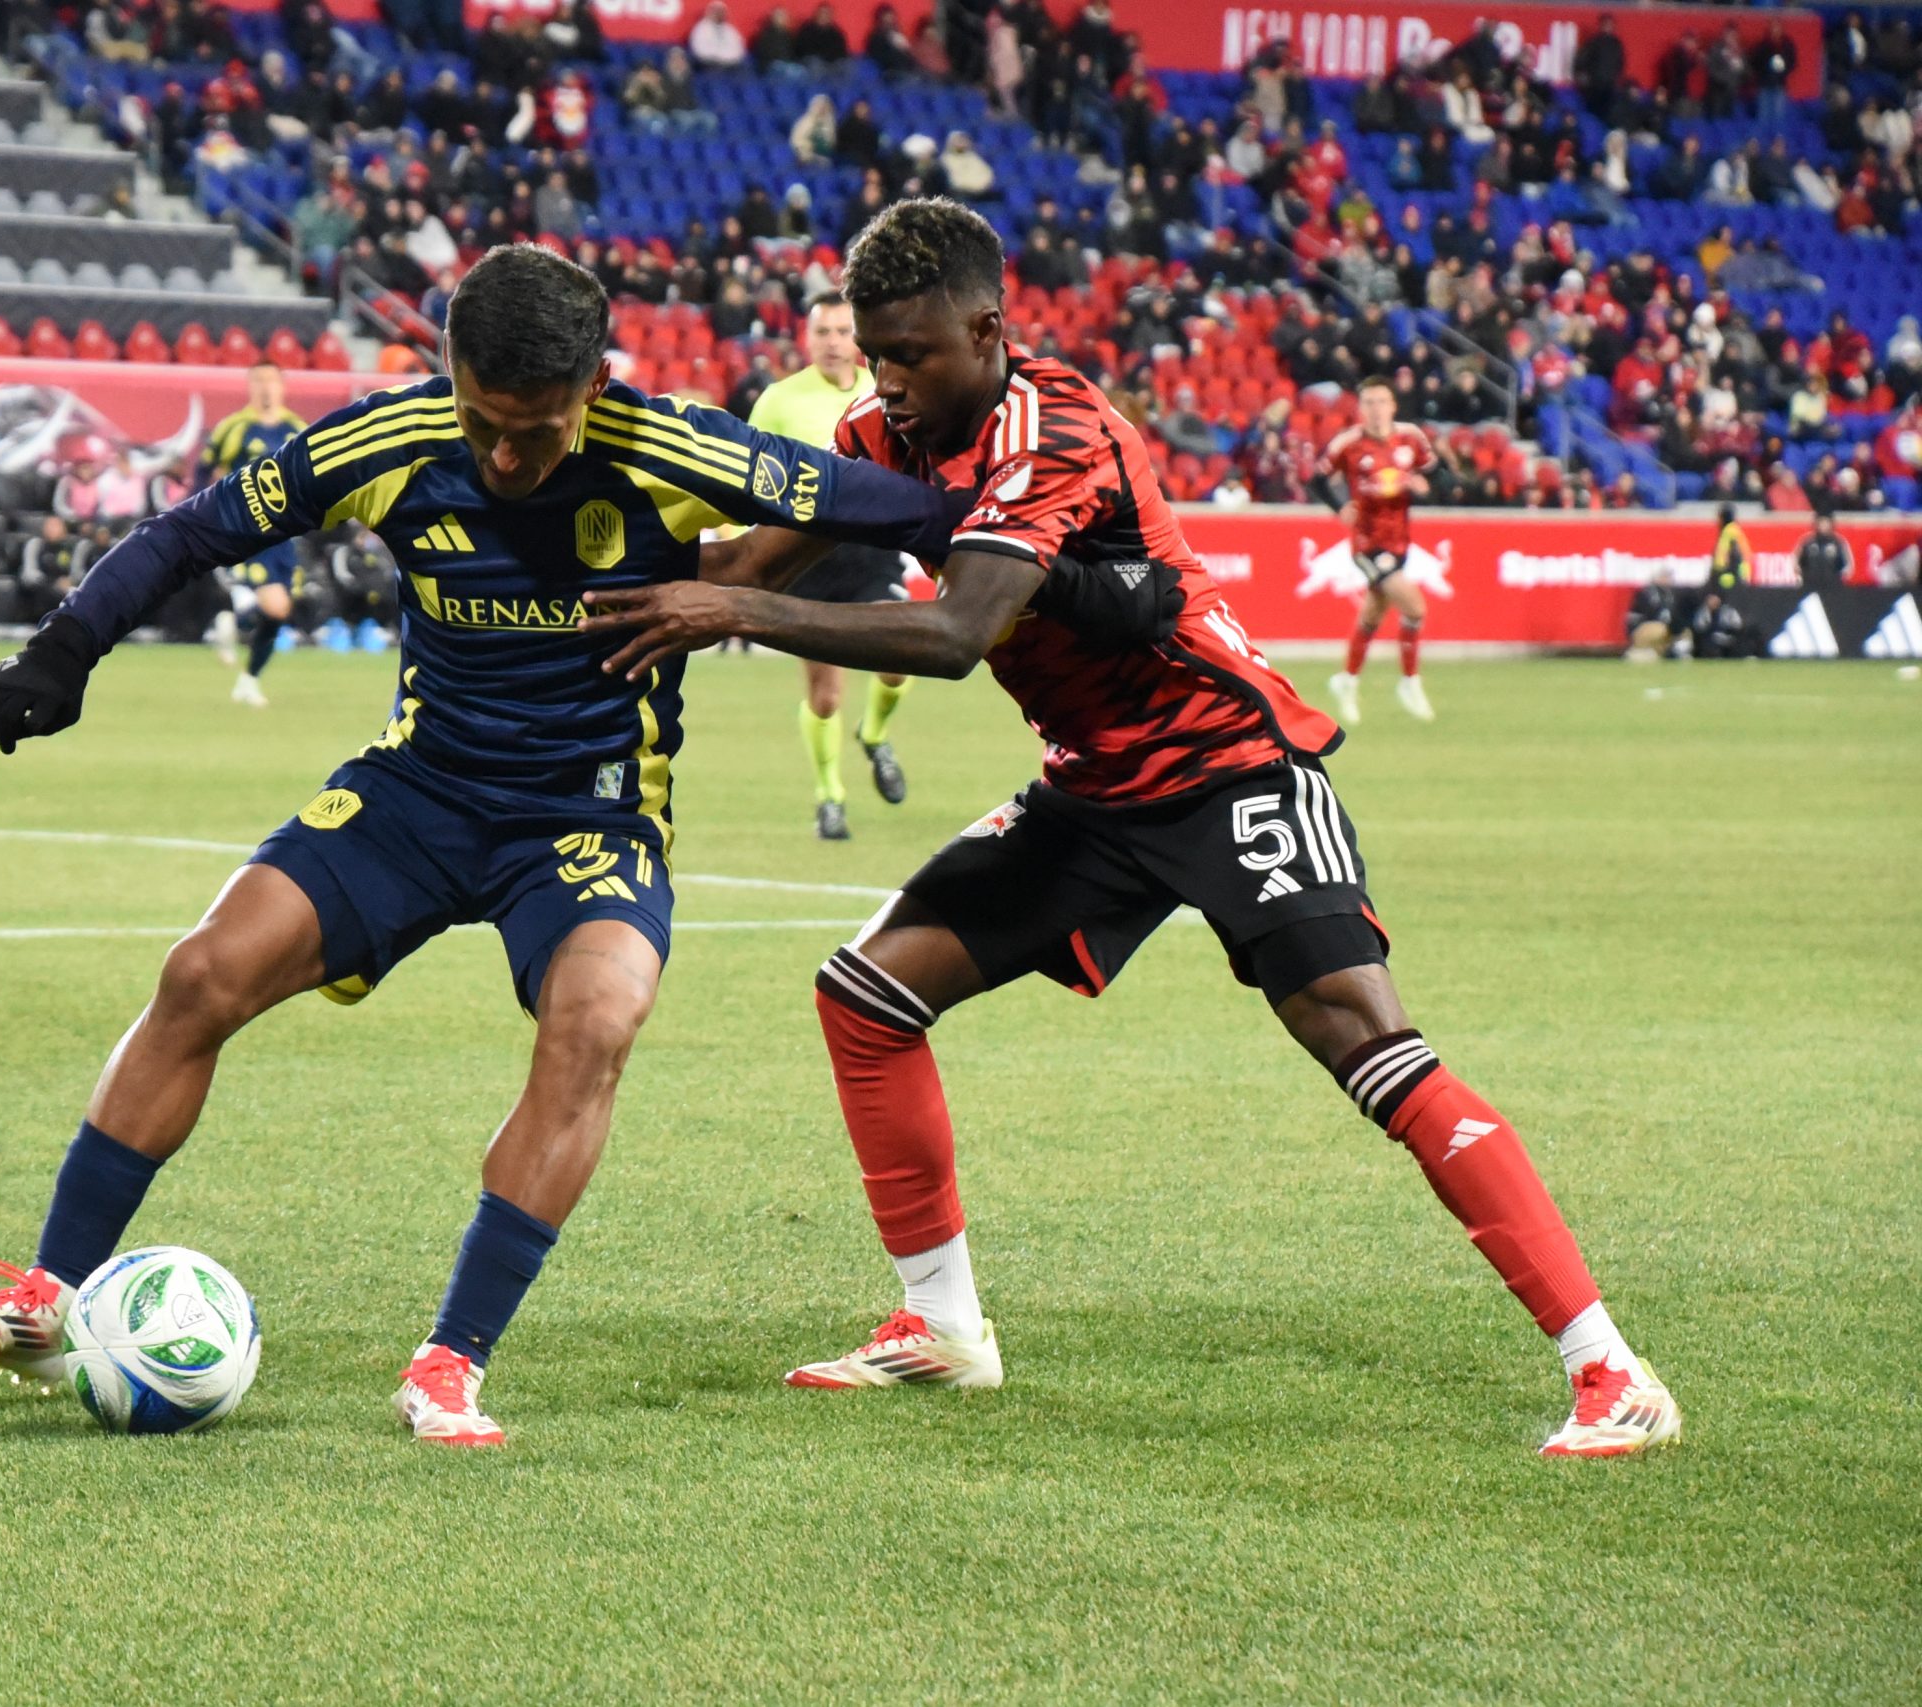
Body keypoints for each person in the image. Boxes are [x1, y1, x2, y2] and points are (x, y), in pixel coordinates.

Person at [579, 200, 1681, 1459]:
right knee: (867, 995)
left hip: (1227, 765)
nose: (886, 378)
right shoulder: (883, 428)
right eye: (873, 352)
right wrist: (615, 585)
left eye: (912, 352)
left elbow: (953, 636)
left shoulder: (1058, 430)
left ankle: (1610, 1369)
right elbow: (777, 549)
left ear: (988, 329)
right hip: (1094, 786)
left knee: (1359, 1037)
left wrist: (733, 613)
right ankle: (942, 1328)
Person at [0, 245, 961, 1449]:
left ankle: (450, 1362)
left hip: (588, 815)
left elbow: (899, 503)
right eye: (481, 422)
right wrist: (64, 647)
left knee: (598, 1021)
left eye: (539, 431)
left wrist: (1041, 523)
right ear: (449, 373)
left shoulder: (678, 450)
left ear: (595, 390)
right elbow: (189, 534)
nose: (506, 456)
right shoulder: (386, 442)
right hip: (418, 793)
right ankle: (50, 1296)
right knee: (201, 973)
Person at [747, 290, 914, 840]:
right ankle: (830, 797)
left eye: (844, 332)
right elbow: (748, 473)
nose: (835, 343)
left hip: (873, 550)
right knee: (824, 694)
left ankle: (874, 733)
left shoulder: (885, 390)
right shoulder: (779, 400)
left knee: (899, 661)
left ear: (860, 338)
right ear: (807, 338)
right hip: (807, 556)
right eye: (824, 332)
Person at [1324, 377, 1439, 725]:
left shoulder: (1410, 439)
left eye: (1381, 401)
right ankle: (1409, 681)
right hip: (1367, 543)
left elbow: (1439, 475)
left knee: (1373, 613)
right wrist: (1338, 506)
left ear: (1393, 405)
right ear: (1360, 409)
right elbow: (1316, 476)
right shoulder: (1349, 444)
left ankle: (1346, 680)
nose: (1376, 409)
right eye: (1369, 402)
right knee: (1415, 607)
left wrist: (1423, 486)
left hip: (1401, 540)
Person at [197, 363, 308, 706]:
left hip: (282, 533)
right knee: (267, 602)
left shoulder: (298, 429)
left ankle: (247, 676)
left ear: (283, 386)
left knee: (279, 610)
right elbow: (203, 472)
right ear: (249, 386)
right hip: (244, 528)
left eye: (272, 381)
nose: (265, 388)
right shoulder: (234, 428)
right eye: (258, 380)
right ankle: (232, 615)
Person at [1793, 511, 1848, 589]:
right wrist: (1803, 578)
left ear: (1831, 524)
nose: (1824, 525)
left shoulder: (1838, 543)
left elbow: (1846, 566)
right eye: (1821, 522)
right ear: (1816, 524)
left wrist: (1836, 580)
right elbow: (1797, 563)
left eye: (1826, 522)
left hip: (1832, 587)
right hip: (1809, 586)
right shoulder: (1807, 542)